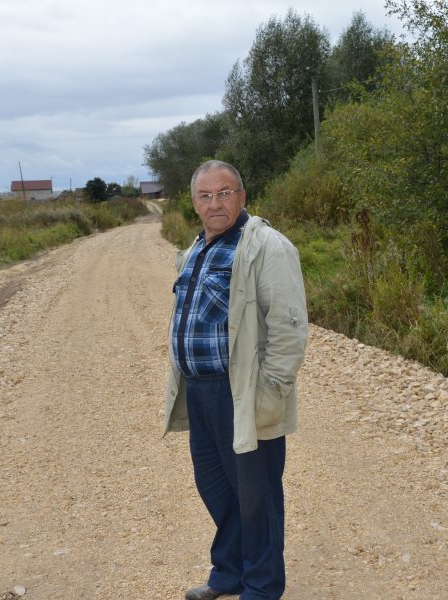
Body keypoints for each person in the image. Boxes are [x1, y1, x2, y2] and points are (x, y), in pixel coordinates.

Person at [164, 160, 308, 600]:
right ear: (194, 204)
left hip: (243, 393)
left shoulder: (266, 246)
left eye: (224, 193)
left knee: (256, 495)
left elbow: (289, 325)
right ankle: (228, 574)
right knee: (216, 488)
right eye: (205, 196)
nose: (216, 203)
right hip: (201, 391)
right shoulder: (195, 250)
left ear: (242, 197)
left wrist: (272, 390)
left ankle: (262, 586)